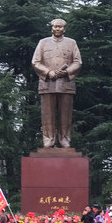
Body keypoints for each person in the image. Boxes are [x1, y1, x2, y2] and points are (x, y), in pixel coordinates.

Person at [32, 18, 83, 148]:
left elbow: (78, 62)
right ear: (52, 28)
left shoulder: (72, 43)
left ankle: (65, 139)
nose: (57, 29)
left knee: (65, 114)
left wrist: (66, 72)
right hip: (47, 83)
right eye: (55, 26)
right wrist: (48, 72)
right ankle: (48, 140)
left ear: (64, 29)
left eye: (60, 27)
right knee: (47, 115)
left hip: (66, 83)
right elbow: (36, 62)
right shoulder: (43, 43)